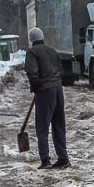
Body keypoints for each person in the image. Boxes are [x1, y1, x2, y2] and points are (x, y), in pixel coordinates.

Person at [24, 26, 69, 169]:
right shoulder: (52, 51)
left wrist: (35, 87)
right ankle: (63, 158)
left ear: (32, 40)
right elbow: (61, 70)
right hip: (58, 89)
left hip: (45, 91)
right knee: (58, 125)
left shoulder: (32, 52)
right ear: (42, 38)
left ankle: (45, 160)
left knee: (42, 127)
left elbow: (32, 72)